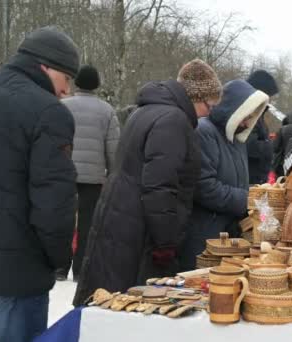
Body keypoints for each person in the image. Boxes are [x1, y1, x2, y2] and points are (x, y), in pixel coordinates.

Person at [72, 59, 222, 306]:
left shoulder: (147, 111)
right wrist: (165, 243)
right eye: (210, 105)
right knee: (127, 308)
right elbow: (159, 186)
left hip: (122, 223)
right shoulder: (173, 121)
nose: (209, 112)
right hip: (138, 233)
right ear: (197, 97)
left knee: (109, 303)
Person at [0, 26, 79, 342]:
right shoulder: (49, 112)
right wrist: (59, 260)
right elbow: (54, 205)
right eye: (66, 79)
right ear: (45, 66)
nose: (66, 91)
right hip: (17, 276)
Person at [177, 80, 269, 271]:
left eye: (251, 117)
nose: (246, 123)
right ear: (233, 110)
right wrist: (248, 199)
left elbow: (236, 181)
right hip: (204, 236)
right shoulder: (203, 131)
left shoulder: (237, 138)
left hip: (229, 234)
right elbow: (203, 187)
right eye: (245, 116)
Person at [58, 65, 121, 282]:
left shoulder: (62, 106)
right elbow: (113, 148)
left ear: (76, 82)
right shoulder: (106, 110)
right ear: (96, 85)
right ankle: (80, 270)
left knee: (63, 220)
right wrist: (113, 176)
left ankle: (59, 266)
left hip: (64, 174)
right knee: (87, 224)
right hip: (93, 178)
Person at [245, 70, 279, 184]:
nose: (271, 99)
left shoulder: (258, 113)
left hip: (256, 179)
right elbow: (248, 143)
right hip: (249, 180)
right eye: (270, 95)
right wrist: (269, 146)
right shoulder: (249, 113)